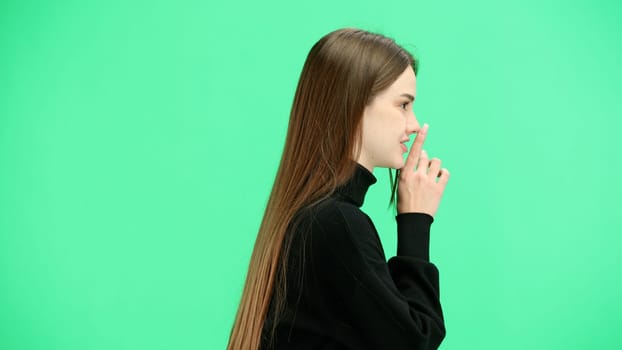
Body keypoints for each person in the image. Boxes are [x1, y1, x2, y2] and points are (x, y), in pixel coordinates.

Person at [227, 28, 450, 350]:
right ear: (355, 102)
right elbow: (413, 341)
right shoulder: (337, 224)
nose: (414, 124)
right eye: (403, 105)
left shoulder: (313, 217)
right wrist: (416, 221)